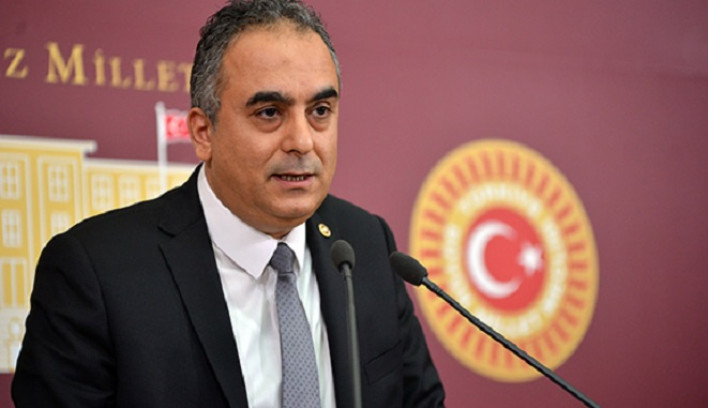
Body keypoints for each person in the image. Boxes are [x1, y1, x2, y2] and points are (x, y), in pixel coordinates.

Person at [12, 0, 445, 407]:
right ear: (203, 132)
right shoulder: (97, 272)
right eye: (269, 112)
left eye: (320, 111)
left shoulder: (366, 245)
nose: (302, 141)